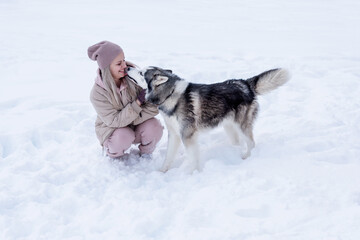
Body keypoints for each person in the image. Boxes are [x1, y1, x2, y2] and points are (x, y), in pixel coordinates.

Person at [88, 41, 163, 158]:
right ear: (107, 67)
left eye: (124, 60)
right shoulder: (98, 94)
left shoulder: (134, 77)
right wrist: (138, 102)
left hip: (135, 125)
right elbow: (114, 121)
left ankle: (146, 155)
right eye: (119, 63)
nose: (124, 66)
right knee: (123, 136)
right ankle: (114, 155)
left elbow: (153, 108)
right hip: (113, 131)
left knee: (154, 126)